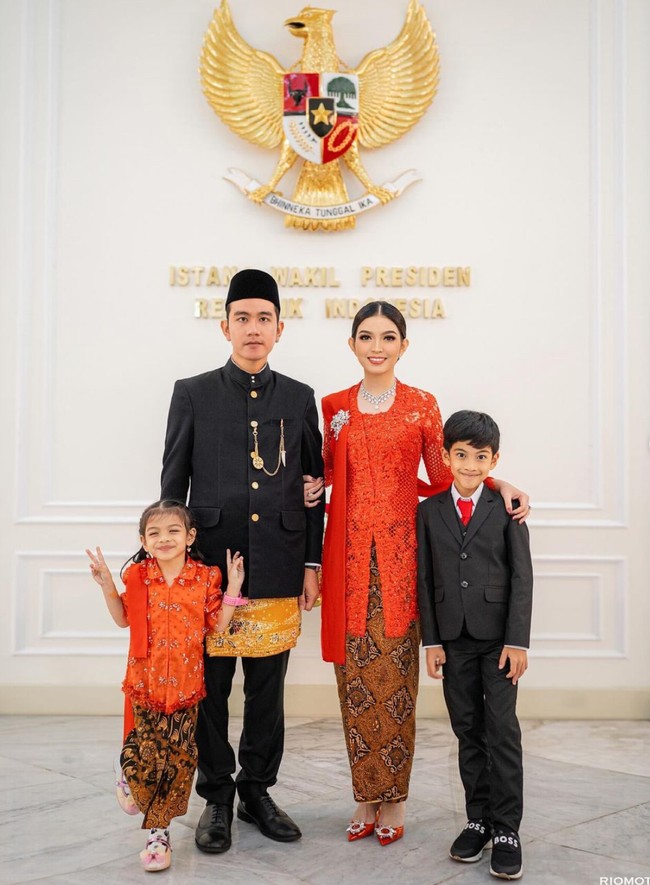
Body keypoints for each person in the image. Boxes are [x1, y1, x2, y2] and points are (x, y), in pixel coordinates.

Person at [311, 302, 529, 847]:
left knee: (396, 684)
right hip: (349, 562)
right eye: (366, 336)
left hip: (405, 560)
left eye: (388, 337)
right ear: (352, 344)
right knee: (355, 684)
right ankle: (364, 795)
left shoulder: (421, 405)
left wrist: (499, 484)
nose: (377, 346)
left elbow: (446, 472)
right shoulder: (334, 406)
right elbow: (327, 472)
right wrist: (310, 486)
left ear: (403, 345)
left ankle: (395, 799)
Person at [160, 268, 325, 854]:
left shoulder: (299, 397)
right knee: (210, 691)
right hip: (208, 566)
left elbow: (315, 488)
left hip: (279, 562)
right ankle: (216, 797)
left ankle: (256, 791)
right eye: (242, 318)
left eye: (264, 319)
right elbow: (172, 484)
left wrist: (311, 564)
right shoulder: (193, 392)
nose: (253, 329)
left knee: (267, 692)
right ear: (224, 326)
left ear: (280, 328)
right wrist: (171, 566)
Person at [86, 500, 244, 872]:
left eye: (173, 530)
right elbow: (123, 619)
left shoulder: (206, 577)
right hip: (145, 684)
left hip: (187, 689)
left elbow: (218, 624)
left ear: (190, 536)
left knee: (177, 763)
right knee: (148, 757)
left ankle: (159, 833)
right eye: (154, 533)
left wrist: (234, 587)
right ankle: (132, 777)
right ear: (144, 541)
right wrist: (107, 585)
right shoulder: (138, 576)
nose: (164, 538)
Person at [417, 410, 533, 880]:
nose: (469, 465)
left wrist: (517, 642)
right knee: (467, 730)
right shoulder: (428, 512)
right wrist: (432, 641)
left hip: (499, 641)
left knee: (501, 732)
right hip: (453, 639)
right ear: (445, 457)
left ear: (494, 460)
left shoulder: (508, 508)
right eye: (461, 455)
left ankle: (506, 829)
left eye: (480, 457)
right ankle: (478, 820)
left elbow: (522, 577)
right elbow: (425, 579)